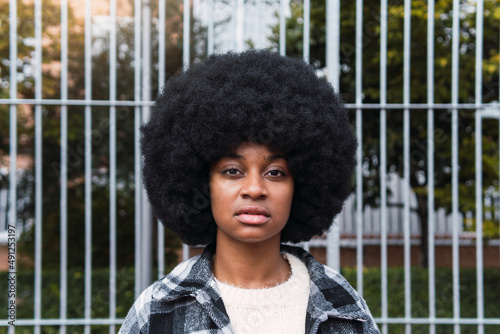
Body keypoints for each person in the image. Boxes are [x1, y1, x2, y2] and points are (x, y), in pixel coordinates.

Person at [119, 50, 380, 333]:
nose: (255, 189)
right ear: (200, 181)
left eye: (275, 172)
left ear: (302, 185)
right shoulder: (157, 309)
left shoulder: (343, 306)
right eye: (233, 171)